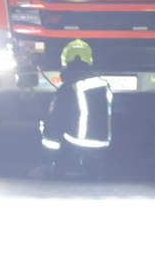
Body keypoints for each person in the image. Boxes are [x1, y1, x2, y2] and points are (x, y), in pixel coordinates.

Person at [39, 39, 111, 176]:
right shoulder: (102, 85)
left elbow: (57, 118)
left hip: (76, 143)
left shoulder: (68, 89)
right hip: (102, 143)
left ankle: (56, 164)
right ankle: (92, 163)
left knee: (49, 121)